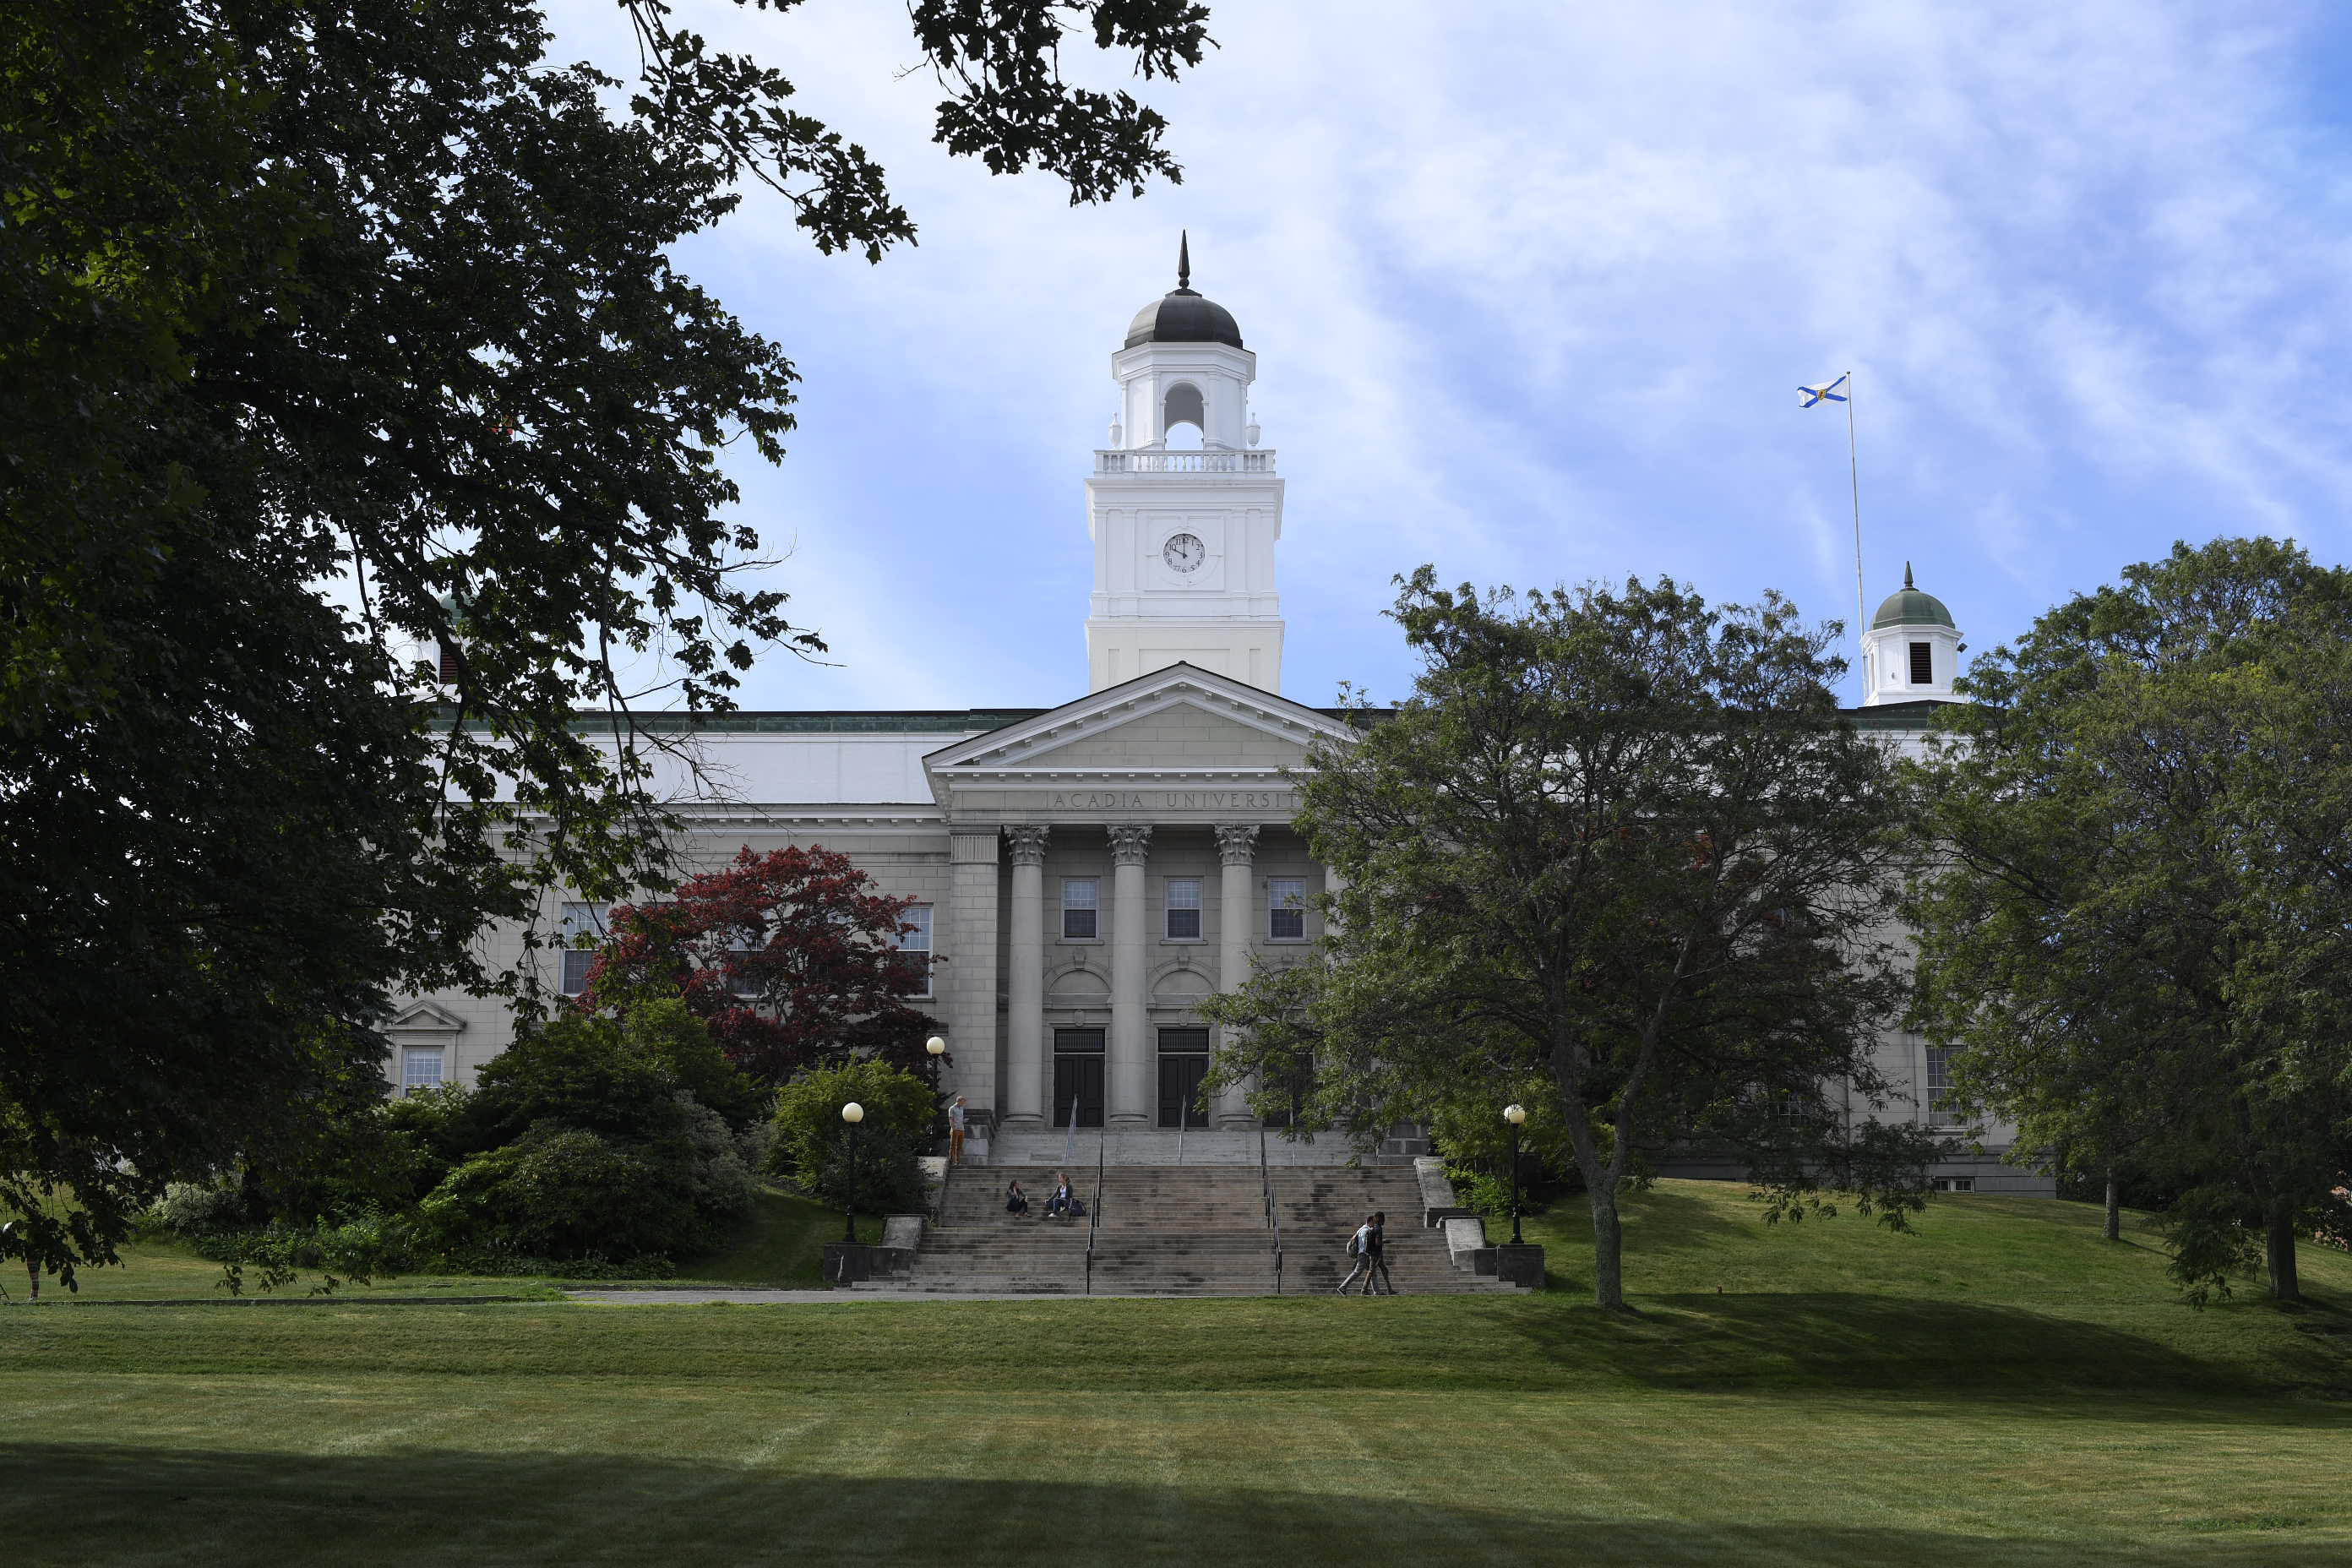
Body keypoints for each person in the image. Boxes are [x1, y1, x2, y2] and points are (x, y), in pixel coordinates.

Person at [1336, 1211, 1379, 1295]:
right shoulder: (1365, 1230)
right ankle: (1342, 1287)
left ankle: (1376, 1292)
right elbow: (1364, 1242)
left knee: (1373, 1272)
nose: (1374, 1224)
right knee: (1357, 1272)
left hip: (1364, 1254)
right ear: (1369, 1221)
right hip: (1363, 1254)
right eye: (1373, 1222)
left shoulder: (1362, 1229)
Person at [1366, 1210, 1396, 1295]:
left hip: (1377, 1254)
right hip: (1376, 1254)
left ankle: (1389, 1289)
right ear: (1379, 1219)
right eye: (1383, 1219)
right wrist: (1385, 1241)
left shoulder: (1375, 1227)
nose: (1384, 1220)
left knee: (1384, 1270)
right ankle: (1364, 1289)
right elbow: (1377, 1243)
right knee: (1371, 1271)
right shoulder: (1378, 1229)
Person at [947, 1095, 968, 1165]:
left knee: (959, 1146)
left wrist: (964, 1121)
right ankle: (951, 1161)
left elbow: (960, 1119)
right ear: (958, 1101)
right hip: (955, 1129)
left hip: (962, 1129)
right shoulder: (952, 1108)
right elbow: (951, 1119)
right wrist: (953, 1128)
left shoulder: (961, 1108)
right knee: (953, 1146)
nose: (963, 1104)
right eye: (962, 1102)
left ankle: (957, 1161)